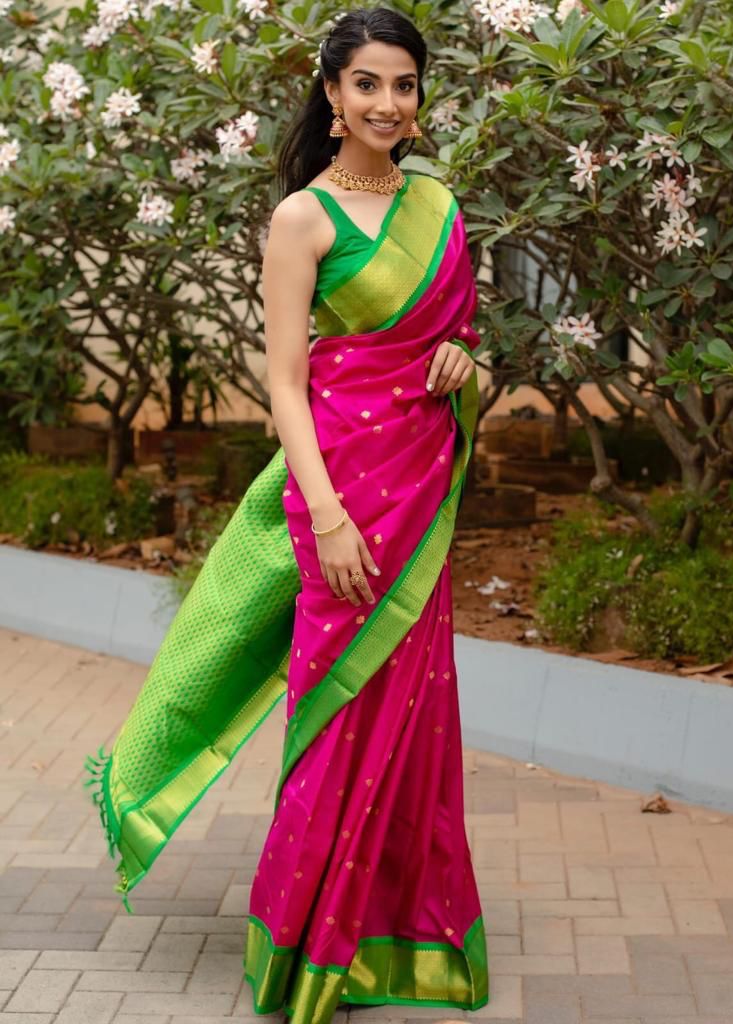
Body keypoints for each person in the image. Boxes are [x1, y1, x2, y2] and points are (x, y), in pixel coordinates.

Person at [83, 7, 488, 1021]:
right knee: (333, 718)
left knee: (413, 714)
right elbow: (288, 387)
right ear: (331, 93)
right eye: (367, 85)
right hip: (343, 493)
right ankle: (311, 943)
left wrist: (468, 366)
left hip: (418, 485)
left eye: (404, 85)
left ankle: (397, 936)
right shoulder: (302, 219)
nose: (388, 104)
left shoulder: (440, 203)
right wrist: (330, 514)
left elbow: (462, 341)